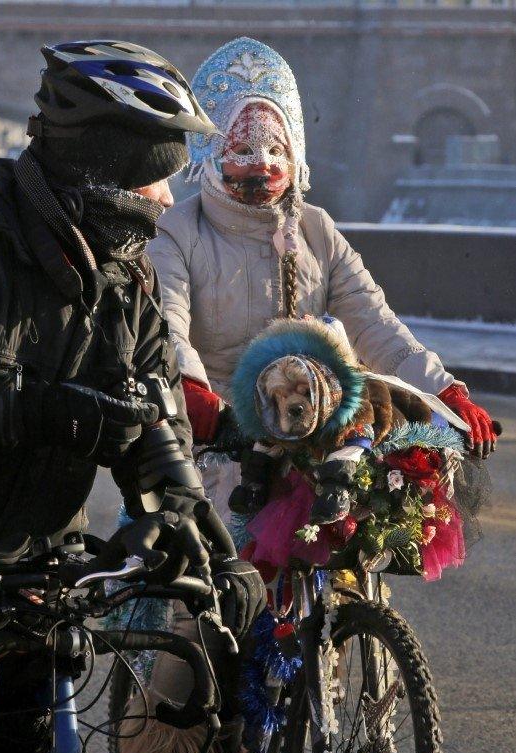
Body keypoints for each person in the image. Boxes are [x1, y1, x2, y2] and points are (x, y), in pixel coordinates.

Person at [0, 40, 265, 753]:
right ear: (104, 167)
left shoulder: (125, 280)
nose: (167, 200)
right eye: (155, 177)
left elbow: (153, 419)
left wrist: (199, 537)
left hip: (33, 576)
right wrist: (47, 410)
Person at [147, 36, 498, 527]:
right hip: (220, 440)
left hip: (320, 430)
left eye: (275, 148)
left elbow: (375, 325)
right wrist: (190, 392)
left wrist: (444, 393)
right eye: (243, 149)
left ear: (296, 152)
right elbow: (167, 326)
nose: (264, 164)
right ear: (210, 152)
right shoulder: (176, 232)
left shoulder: (316, 231)